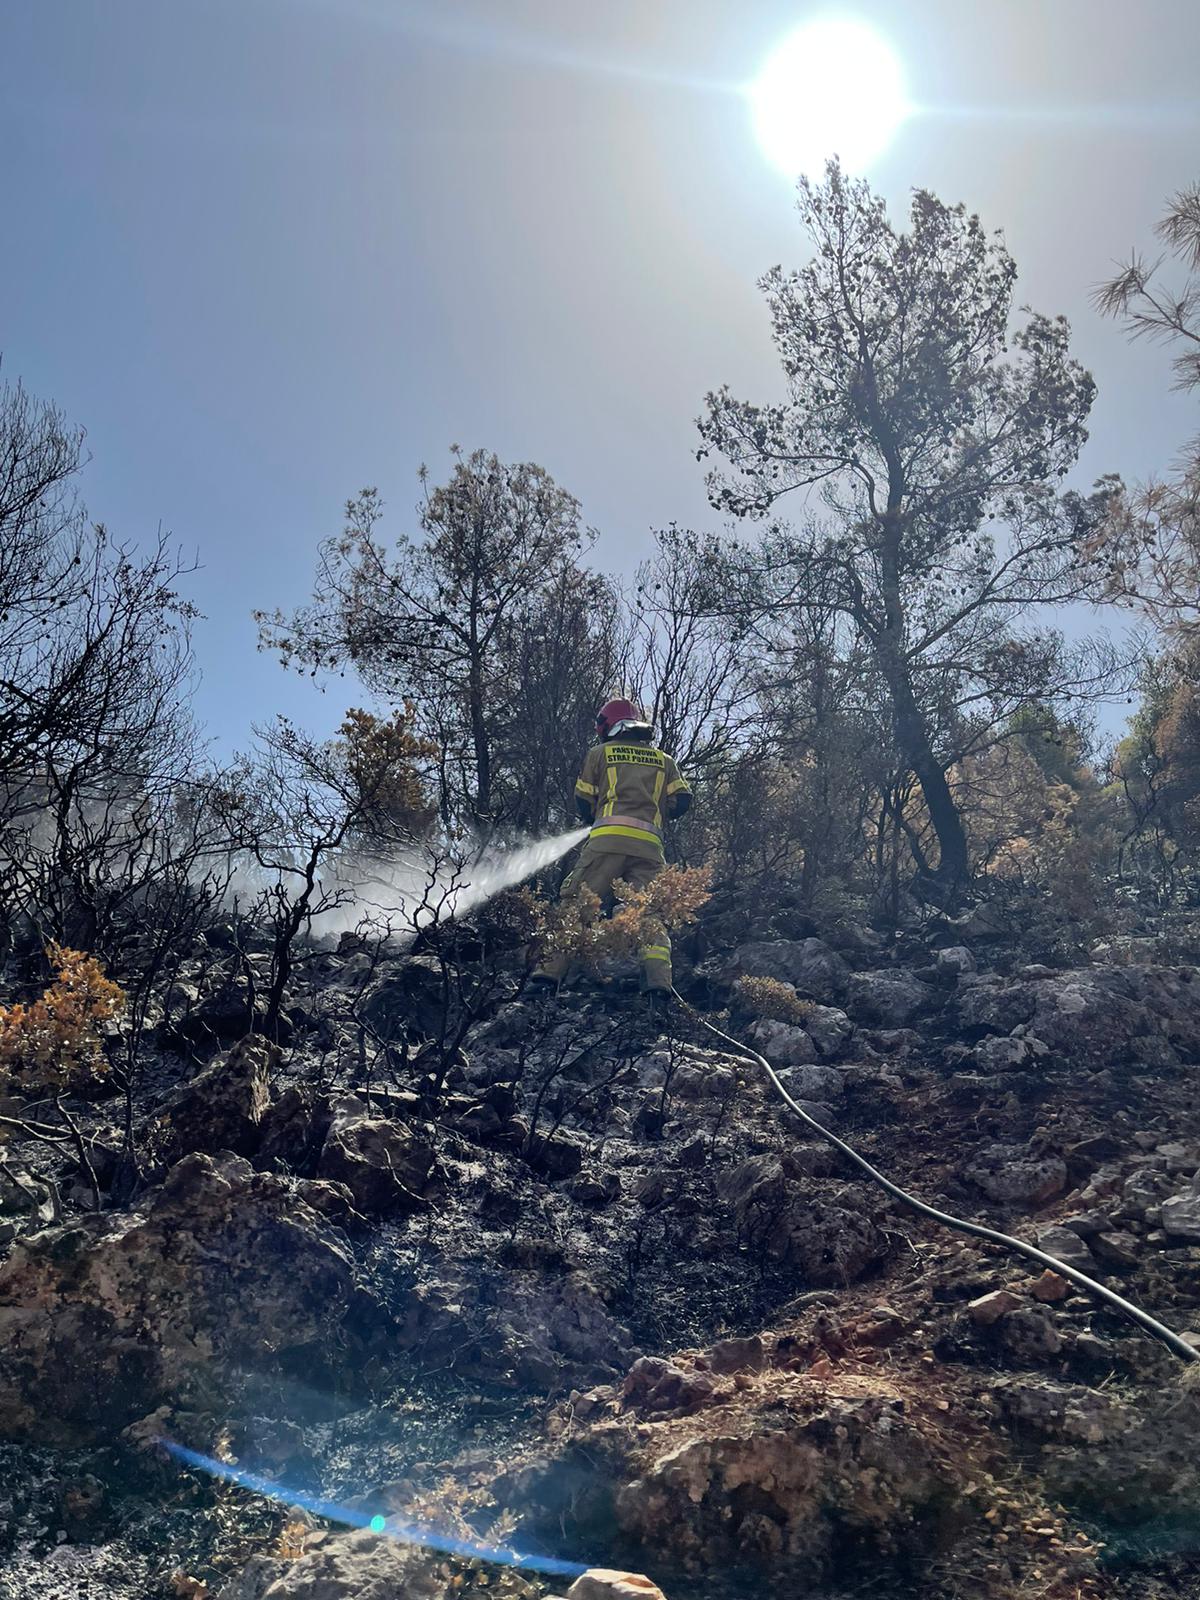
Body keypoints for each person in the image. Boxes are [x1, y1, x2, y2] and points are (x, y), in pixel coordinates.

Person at [531, 698, 692, 996]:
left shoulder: (600, 753)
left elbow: (583, 799)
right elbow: (682, 800)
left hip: (606, 844)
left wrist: (595, 816)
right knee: (650, 915)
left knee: (577, 906)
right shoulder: (664, 760)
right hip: (649, 850)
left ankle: (546, 978)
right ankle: (658, 986)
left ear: (608, 727)